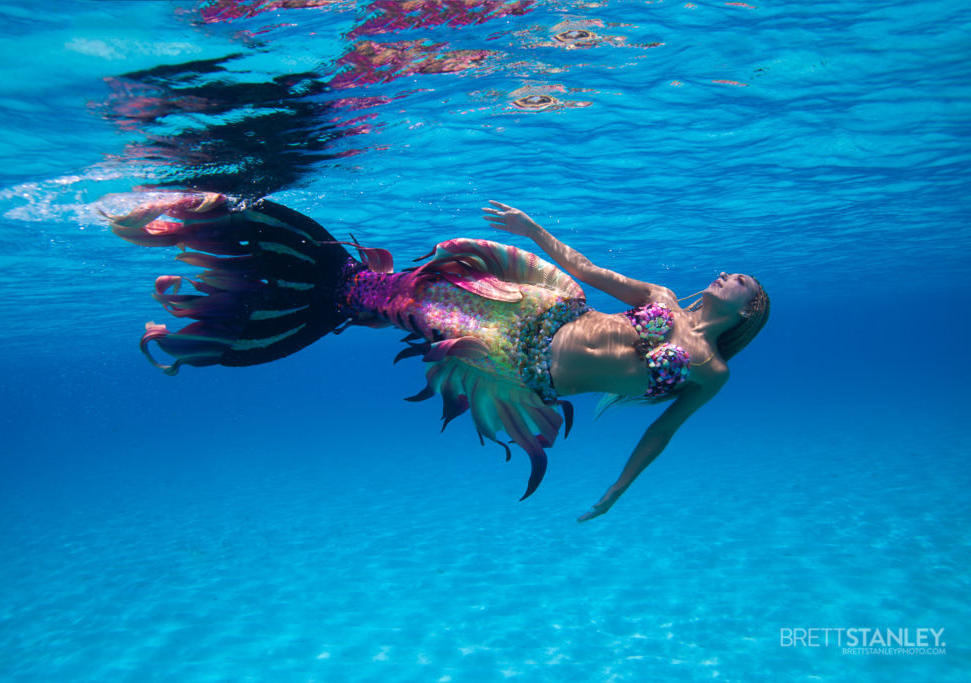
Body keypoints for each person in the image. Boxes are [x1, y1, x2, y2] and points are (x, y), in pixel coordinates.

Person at [108, 193, 769, 521]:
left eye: (745, 283)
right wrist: (534, 230)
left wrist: (621, 486)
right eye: (732, 272)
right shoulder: (656, 295)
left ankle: (280, 295)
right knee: (405, 298)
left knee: (403, 305)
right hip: (534, 312)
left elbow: (661, 429)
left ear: (749, 312)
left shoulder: (712, 372)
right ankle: (261, 255)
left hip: (522, 370)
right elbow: (590, 270)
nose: (730, 275)